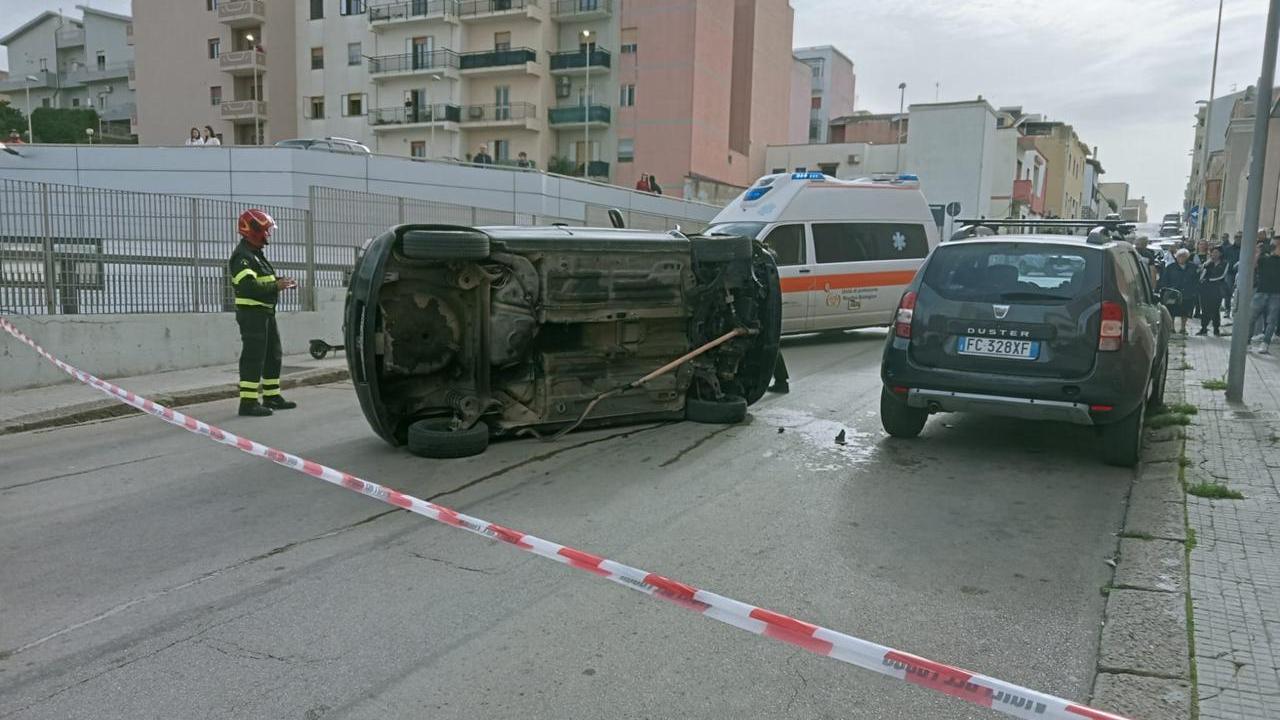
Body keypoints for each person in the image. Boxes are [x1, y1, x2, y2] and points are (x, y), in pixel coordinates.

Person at [229, 209, 298, 416]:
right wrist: (276, 286)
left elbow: (263, 280)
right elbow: (247, 287)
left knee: (272, 355)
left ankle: (272, 397)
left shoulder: (256, 255)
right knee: (253, 357)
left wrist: (281, 282)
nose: (268, 235)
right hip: (252, 315)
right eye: (265, 230)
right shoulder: (242, 257)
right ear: (253, 231)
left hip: (265, 313)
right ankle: (248, 403)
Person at [1158, 248, 1198, 335]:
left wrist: (1194, 290)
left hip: (1187, 293)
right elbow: (1164, 279)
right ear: (1176, 257)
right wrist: (1166, 289)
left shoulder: (1192, 267)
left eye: (1184, 256)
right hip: (1173, 292)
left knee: (1185, 311)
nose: (1181, 258)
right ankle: (1172, 328)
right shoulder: (1170, 267)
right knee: (1172, 310)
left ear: (1187, 257)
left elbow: (1196, 279)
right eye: (1179, 256)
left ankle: (1183, 328)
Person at [1251, 236, 1280, 353]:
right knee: (1251, 318)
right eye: (1272, 245)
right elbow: (1252, 267)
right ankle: (1247, 342)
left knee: (1271, 320)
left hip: (1276, 294)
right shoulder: (1264, 259)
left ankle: (1265, 343)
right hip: (1261, 292)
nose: (1274, 247)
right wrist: (1257, 252)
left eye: (1276, 245)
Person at [1197, 246, 1228, 336]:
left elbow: (1222, 275)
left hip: (1217, 288)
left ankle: (1216, 328)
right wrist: (1206, 264)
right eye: (1213, 252)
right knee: (1205, 309)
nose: (1214, 254)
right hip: (1205, 289)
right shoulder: (1209, 263)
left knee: (1215, 309)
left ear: (1220, 254)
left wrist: (1209, 280)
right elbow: (1200, 272)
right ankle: (1204, 328)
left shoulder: (1224, 263)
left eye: (1216, 252)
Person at [1221, 232, 1240, 318]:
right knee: (1227, 292)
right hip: (1229, 273)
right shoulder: (1228, 248)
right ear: (1234, 238)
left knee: (1238, 293)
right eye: (1237, 237)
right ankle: (1227, 310)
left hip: (1240, 273)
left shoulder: (1245, 248)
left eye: (1240, 237)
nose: (1238, 239)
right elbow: (1223, 259)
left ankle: (1236, 311)